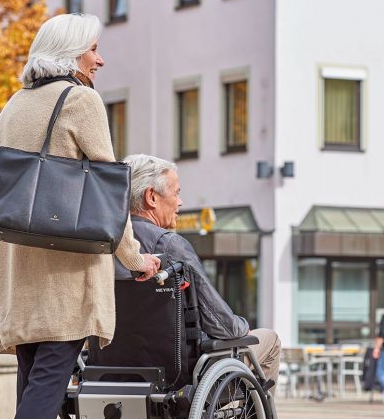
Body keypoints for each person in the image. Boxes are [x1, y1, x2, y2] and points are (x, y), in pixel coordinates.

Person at [0, 14, 161, 419]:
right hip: (65, 274)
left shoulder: (14, 104)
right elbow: (108, 192)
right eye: (94, 50)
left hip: (19, 270)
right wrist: (136, 258)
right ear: (72, 53)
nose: (100, 60)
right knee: (47, 389)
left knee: (33, 390)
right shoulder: (81, 102)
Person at [115, 154, 281, 384]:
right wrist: (242, 325)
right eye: (176, 193)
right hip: (181, 375)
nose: (180, 202)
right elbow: (222, 326)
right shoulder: (170, 245)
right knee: (269, 340)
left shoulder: (105, 245)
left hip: (109, 368)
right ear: (151, 197)